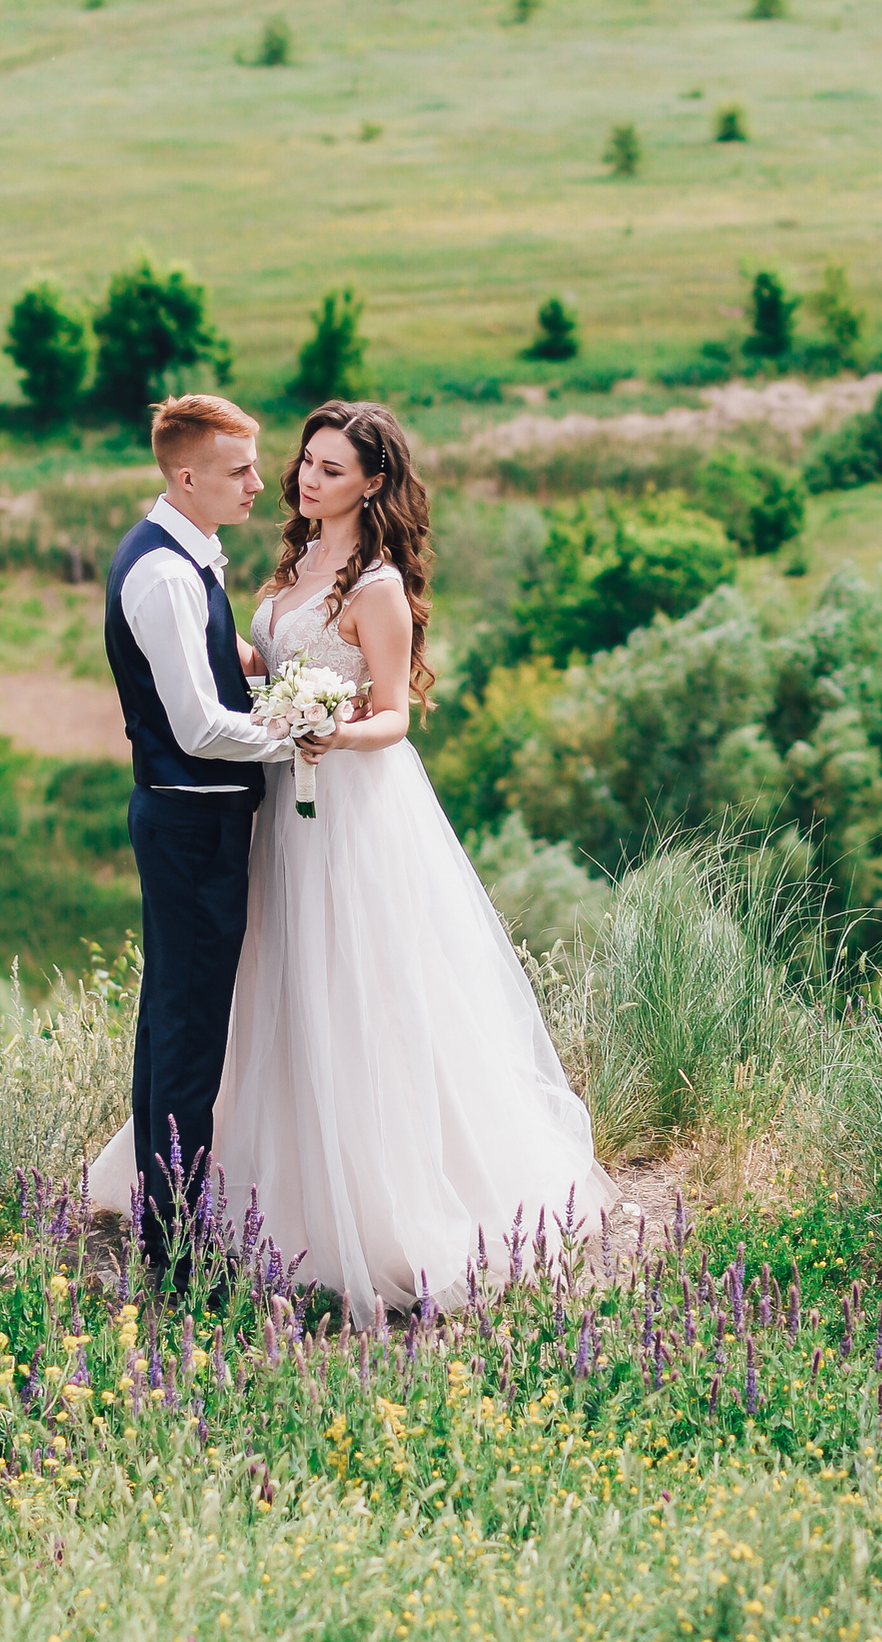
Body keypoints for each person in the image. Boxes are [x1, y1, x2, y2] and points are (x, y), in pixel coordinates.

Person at [94, 397, 600, 1320]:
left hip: (350, 802)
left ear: (372, 483)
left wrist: (326, 728)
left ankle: (368, 1201)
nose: (300, 480)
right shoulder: (283, 567)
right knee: (276, 986)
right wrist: (265, 687)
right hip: (279, 806)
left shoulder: (378, 585)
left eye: (330, 469)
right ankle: (260, 1191)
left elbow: (395, 715)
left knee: (357, 986)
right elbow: (249, 666)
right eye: (305, 463)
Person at [98, 392, 300, 1278]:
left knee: (172, 1025)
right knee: (188, 1039)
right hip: (191, 822)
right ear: (187, 477)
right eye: (239, 470)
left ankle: (165, 1231)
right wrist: (300, 733)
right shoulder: (168, 575)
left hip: (192, 816)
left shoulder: (185, 557)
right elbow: (198, 727)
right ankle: (179, 1255)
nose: (259, 484)